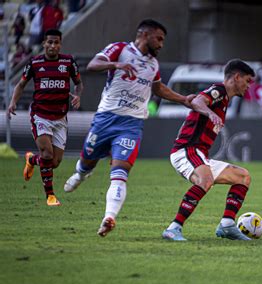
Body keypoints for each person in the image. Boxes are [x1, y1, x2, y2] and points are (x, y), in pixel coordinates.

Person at [63, 19, 195, 237]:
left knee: (120, 171)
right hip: (105, 119)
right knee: (87, 160)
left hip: (131, 124)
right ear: (144, 34)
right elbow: (92, 65)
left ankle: (109, 217)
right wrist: (116, 65)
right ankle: (80, 173)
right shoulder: (120, 49)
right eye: (159, 39)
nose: (161, 44)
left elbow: (158, 88)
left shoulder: (153, 64)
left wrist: (184, 100)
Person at [162, 59, 255, 241]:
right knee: (206, 180)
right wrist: (210, 113)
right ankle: (173, 228)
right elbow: (197, 100)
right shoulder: (219, 91)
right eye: (248, 80)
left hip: (200, 154)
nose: (248, 86)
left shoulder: (225, 100)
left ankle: (227, 225)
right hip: (186, 150)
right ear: (236, 77)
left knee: (243, 177)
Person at [7, 29, 83, 206]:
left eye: (56, 42)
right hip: (40, 115)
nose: (53, 46)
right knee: (47, 154)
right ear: (43, 44)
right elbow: (21, 84)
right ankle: (50, 196)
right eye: (49, 42)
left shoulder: (68, 62)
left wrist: (78, 95)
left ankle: (31, 160)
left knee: (54, 162)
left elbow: (79, 83)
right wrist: (13, 103)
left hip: (60, 118)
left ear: (60, 44)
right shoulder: (34, 63)